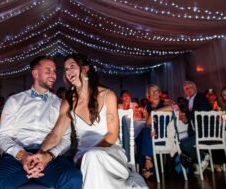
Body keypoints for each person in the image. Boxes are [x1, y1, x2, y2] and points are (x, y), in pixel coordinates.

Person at [27, 54, 146, 189]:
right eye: (65, 69)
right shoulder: (69, 102)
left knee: (92, 157)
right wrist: (39, 155)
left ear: (85, 68)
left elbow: (112, 135)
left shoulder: (108, 95)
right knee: (90, 159)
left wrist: (90, 154)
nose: (68, 72)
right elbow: (56, 135)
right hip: (82, 157)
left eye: (72, 66)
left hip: (110, 153)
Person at [0, 55, 82, 188]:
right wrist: (22, 155)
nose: (53, 75)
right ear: (35, 73)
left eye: (55, 71)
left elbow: (66, 139)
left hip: (50, 159)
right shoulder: (14, 101)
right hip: (17, 158)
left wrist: (48, 156)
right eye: (48, 70)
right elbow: (3, 137)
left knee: (73, 178)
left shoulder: (61, 104)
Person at [136, 84, 180, 180]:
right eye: (152, 91)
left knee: (144, 133)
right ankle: (146, 166)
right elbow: (147, 124)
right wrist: (149, 122)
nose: (154, 93)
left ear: (160, 93)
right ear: (148, 94)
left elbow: (171, 109)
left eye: (156, 91)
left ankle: (146, 163)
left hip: (164, 135)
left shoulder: (165, 103)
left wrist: (154, 112)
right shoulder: (147, 107)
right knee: (141, 136)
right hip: (152, 134)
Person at [179, 81, 211, 174]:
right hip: (197, 132)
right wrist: (186, 119)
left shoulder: (199, 96)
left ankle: (202, 157)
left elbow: (202, 109)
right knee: (182, 141)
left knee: (183, 144)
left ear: (196, 88)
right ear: (184, 91)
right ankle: (201, 159)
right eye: (186, 88)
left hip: (205, 132)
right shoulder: (190, 100)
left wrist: (187, 116)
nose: (189, 89)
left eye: (190, 87)